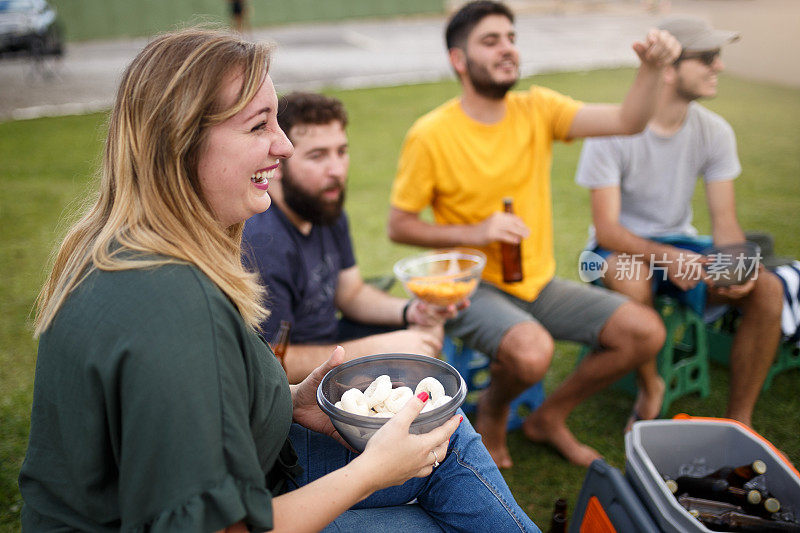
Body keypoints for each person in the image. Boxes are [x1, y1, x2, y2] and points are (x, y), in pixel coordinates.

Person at [19, 28, 540, 532]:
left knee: (442, 437)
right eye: (259, 126)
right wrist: (370, 472)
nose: (284, 147)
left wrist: (285, 401)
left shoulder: (127, 250)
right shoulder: (174, 307)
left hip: (262, 464)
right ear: (182, 146)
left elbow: (195, 406)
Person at [388, 0, 680, 468]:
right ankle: (494, 410)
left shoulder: (537, 109)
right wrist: (478, 230)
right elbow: (398, 225)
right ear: (458, 60)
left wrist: (649, 69)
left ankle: (549, 416)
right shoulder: (431, 133)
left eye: (511, 38)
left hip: (537, 283)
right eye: (490, 40)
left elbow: (629, 121)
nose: (507, 48)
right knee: (532, 351)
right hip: (468, 288)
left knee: (644, 331)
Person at [575, 16, 784, 428]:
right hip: (613, 253)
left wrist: (737, 266)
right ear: (668, 69)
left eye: (718, 56)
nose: (719, 66)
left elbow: (725, 226)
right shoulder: (612, 130)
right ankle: (652, 385)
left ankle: (740, 422)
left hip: (682, 246)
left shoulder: (715, 132)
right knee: (630, 273)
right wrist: (667, 257)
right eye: (707, 57)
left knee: (768, 289)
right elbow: (608, 231)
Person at [243, 92, 456, 385]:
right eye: (318, 156)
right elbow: (270, 361)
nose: (337, 170)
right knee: (413, 368)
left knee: (420, 350)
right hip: (294, 395)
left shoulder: (323, 208)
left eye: (341, 152)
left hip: (331, 343)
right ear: (277, 162)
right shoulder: (262, 242)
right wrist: (379, 351)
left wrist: (411, 311)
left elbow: (351, 292)